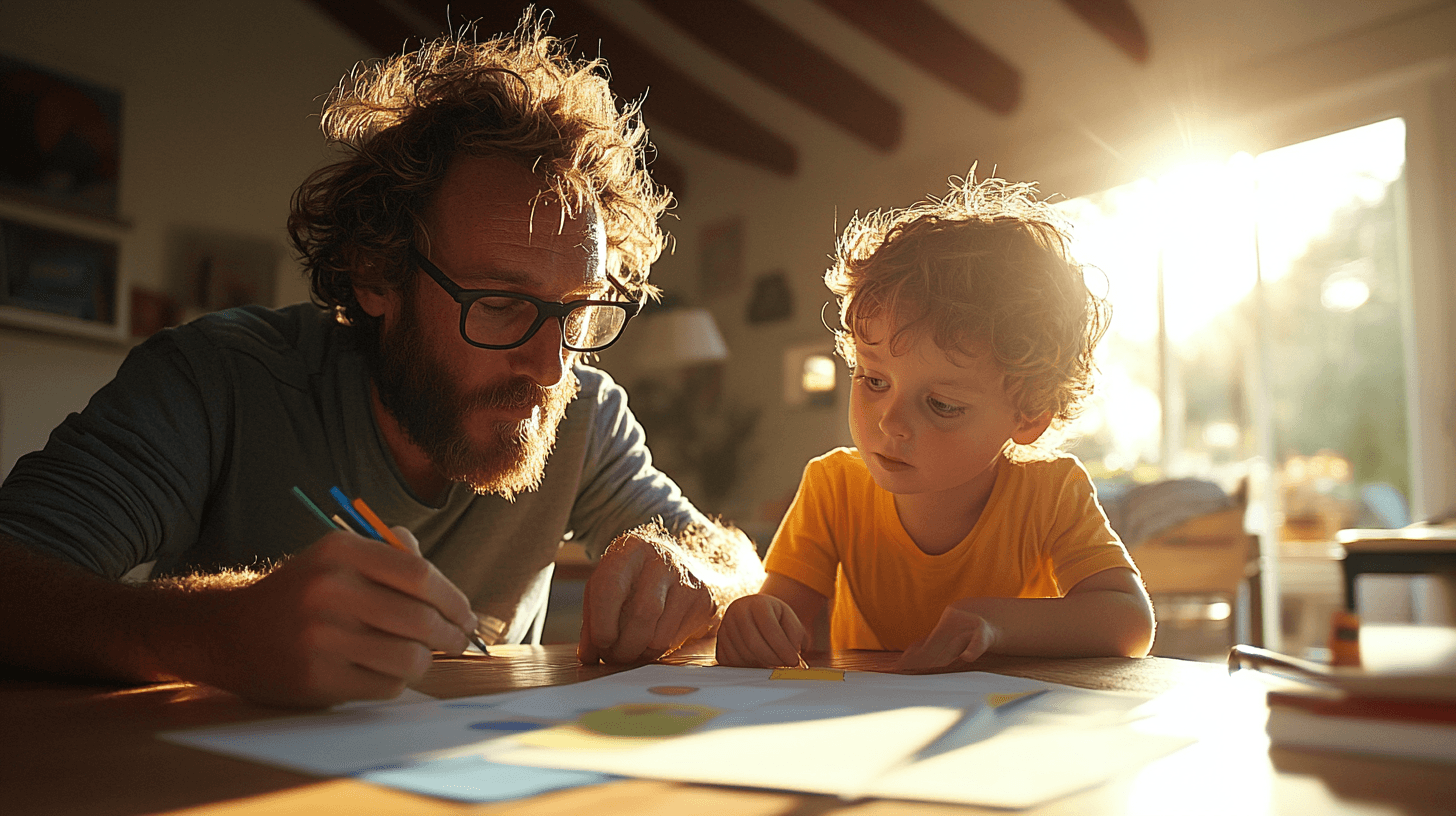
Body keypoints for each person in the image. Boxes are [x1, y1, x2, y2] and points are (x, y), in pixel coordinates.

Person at [0, 13, 763, 707]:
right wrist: (221, 628)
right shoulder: (217, 380)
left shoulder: (587, 413)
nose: (550, 367)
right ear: (377, 275)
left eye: (576, 311)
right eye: (500, 302)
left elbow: (732, 559)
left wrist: (700, 576)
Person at [715, 175, 1155, 671]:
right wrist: (755, 620)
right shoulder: (832, 487)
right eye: (874, 381)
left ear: (1028, 416)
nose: (892, 423)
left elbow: (1130, 622)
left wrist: (991, 623)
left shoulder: (1052, 493)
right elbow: (780, 618)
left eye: (942, 404)